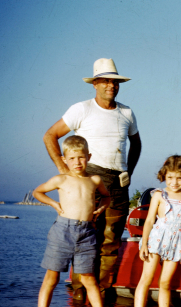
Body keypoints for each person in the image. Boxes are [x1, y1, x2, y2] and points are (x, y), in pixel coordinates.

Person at [42, 58, 142, 299]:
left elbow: (136, 143)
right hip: (89, 177)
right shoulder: (81, 109)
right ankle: (79, 291)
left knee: (111, 240)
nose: (111, 85)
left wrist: (128, 170)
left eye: (115, 82)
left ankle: (103, 289)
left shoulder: (127, 112)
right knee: (83, 236)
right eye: (105, 81)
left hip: (118, 181)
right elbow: (50, 135)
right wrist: (64, 170)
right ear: (95, 84)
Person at [34, 136, 111, 307]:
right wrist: (54, 204)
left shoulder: (95, 180)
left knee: (89, 279)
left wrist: (100, 209)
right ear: (64, 160)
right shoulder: (60, 179)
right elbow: (38, 192)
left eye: (81, 157)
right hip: (62, 232)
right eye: (72, 158)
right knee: (52, 277)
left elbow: (106, 197)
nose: (77, 162)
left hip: (87, 233)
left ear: (88, 157)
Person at [134, 155, 181, 307]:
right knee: (146, 279)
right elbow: (149, 220)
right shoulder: (159, 194)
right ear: (164, 175)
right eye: (170, 177)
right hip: (156, 240)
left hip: (177, 242)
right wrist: (144, 245)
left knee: (165, 282)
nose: (174, 182)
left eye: (179, 178)